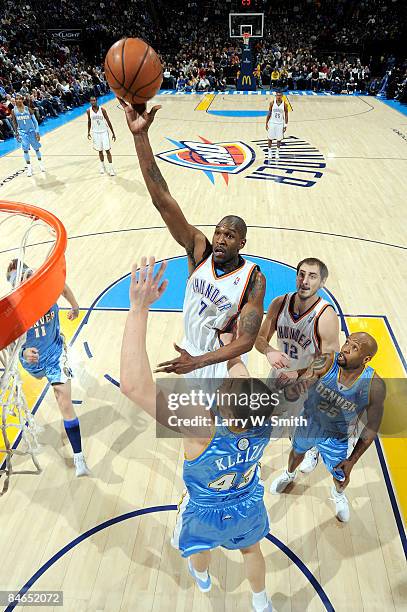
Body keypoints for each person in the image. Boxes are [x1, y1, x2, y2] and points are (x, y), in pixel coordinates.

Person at [120, 256, 276, 612]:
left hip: (205, 510)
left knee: (199, 549)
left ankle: (202, 577)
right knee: (251, 549)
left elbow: (133, 385)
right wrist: (231, 344)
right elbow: (240, 374)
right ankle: (261, 601)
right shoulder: (267, 418)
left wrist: (138, 309)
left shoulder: (201, 426)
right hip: (248, 501)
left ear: (221, 402)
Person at [120, 100, 266, 383]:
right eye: (219, 232)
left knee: (225, 424)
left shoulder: (253, 279)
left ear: (242, 243)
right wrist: (140, 136)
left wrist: (199, 362)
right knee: (195, 424)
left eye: (230, 236)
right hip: (191, 352)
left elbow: (246, 340)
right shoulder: (199, 249)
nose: (221, 239)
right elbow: (162, 201)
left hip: (223, 359)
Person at [270, 333, 385, 522]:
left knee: (341, 475)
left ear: (366, 359)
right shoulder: (328, 360)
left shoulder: (374, 385)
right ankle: (289, 475)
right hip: (309, 423)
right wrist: (295, 388)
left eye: (354, 348)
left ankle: (338, 494)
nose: (345, 348)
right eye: (347, 342)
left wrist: (353, 460)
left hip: (337, 436)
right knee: (296, 453)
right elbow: (308, 377)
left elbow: (371, 429)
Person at [6, 260, 90, 477]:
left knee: (63, 400)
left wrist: (74, 304)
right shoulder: (13, 308)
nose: (23, 279)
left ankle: (79, 458)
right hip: (31, 362)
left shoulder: (45, 288)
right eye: (17, 279)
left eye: (25, 274)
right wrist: (24, 352)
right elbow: (10, 341)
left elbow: (61, 285)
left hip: (55, 355)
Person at [255, 257, 340, 472]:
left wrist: (299, 373)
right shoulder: (279, 303)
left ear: (322, 283)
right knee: (267, 417)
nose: (305, 281)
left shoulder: (325, 315)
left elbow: (330, 359)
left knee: (299, 426)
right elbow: (260, 338)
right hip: (279, 374)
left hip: (308, 381)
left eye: (312, 276)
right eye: (301, 274)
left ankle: (312, 449)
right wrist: (269, 351)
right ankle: (253, 457)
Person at [11, 93, 45, 177]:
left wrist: (37, 131)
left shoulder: (28, 109)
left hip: (32, 132)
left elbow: (35, 121)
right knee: (25, 150)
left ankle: (41, 164)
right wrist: (16, 133)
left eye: (19, 99)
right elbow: (14, 123)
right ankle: (29, 168)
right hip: (22, 133)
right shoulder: (13, 110)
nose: (18, 100)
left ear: (22, 100)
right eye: (16, 99)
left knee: (36, 149)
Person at [87, 96, 116, 176]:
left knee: (107, 150)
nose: (92, 102)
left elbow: (108, 120)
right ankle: (102, 166)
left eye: (94, 100)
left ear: (96, 101)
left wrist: (113, 132)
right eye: (91, 101)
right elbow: (89, 121)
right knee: (100, 151)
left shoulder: (102, 110)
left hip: (104, 132)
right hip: (95, 133)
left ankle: (111, 169)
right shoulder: (88, 111)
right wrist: (88, 132)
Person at [265, 90, 288, 162]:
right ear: (275, 96)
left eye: (280, 95)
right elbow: (269, 113)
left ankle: (277, 153)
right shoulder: (272, 103)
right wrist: (266, 123)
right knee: (270, 138)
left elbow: (286, 114)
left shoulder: (285, 104)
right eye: (277, 95)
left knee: (279, 139)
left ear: (282, 96)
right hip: (272, 122)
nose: (278, 96)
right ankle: (269, 152)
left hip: (280, 123)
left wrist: (285, 125)